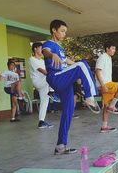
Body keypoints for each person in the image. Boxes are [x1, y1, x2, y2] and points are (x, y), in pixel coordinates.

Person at [42, 19, 100, 155]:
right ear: (53, 31)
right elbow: (45, 51)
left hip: (64, 80)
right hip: (55, 77)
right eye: (62, 31)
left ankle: (60, 146)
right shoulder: (48, 44)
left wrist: (80, 70)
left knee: (68, 111)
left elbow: (67, 61)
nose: (64, 34)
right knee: (82, 64)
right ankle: (89, 97)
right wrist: (52, 54)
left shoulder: (60, 48)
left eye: (65, 32)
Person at [95, 42, 118, 133]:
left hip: (107, 84)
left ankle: (104, 127)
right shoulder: (103, 57)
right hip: (105, 84)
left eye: (115, 49)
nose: (114, 50)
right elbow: (97, 71)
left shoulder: (108, 58)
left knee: (106, 105)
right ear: (107, 49)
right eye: (112, 48)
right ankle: (112, 106)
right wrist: (103, 85)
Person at [29, 42, 54, 129]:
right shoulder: (32, 59)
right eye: (41, 48)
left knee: (44, 102)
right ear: (35, 49)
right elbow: (42, 71)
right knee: (53, 76)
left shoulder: (42, 61)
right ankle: (53, 92)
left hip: (45, 83)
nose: (42, 50)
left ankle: (41, 122)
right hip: (38, 81)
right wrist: (52, 74)